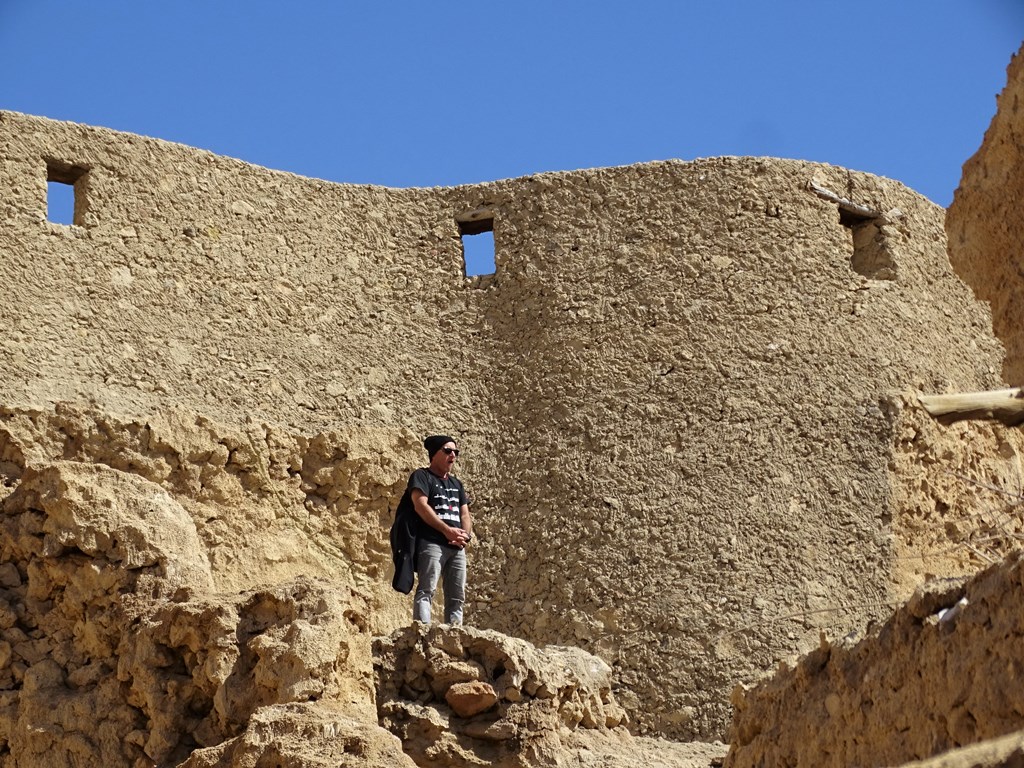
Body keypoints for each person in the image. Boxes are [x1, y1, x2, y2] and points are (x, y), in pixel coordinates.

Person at [407, 434, 473, 625]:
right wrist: (446, 530)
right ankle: (422, 633)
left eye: (455, 451)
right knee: (427, 589)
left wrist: (464, 537)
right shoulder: (422, 476)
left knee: (457, 595)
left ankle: (455, 633)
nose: (453, 455)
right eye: (447, 450)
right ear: (434, 454)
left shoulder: (456, 484)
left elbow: (465, 515)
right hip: (432, 542)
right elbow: (421, 506)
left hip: (457, 546)